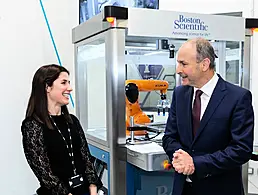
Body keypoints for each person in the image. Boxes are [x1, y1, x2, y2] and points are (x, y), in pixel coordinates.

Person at [162, 38, 254, 195]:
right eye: (178, 63)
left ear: (204, 64)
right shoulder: (180, 94)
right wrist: (180, 157)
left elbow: (241, 149)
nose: (178, 69)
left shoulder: (237, 98)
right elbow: (169, 137)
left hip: (220, 189)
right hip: (183, 189)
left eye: (184, 64)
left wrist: (196, 163)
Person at [21, 64, 102, 195]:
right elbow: (45, 175)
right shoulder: (32, 126)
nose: (69, 88)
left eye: (69, 83)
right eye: (64, 83)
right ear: (47, 87)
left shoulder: (73, 121)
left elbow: (87, 160)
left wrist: (93, 190)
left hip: (85, 191)